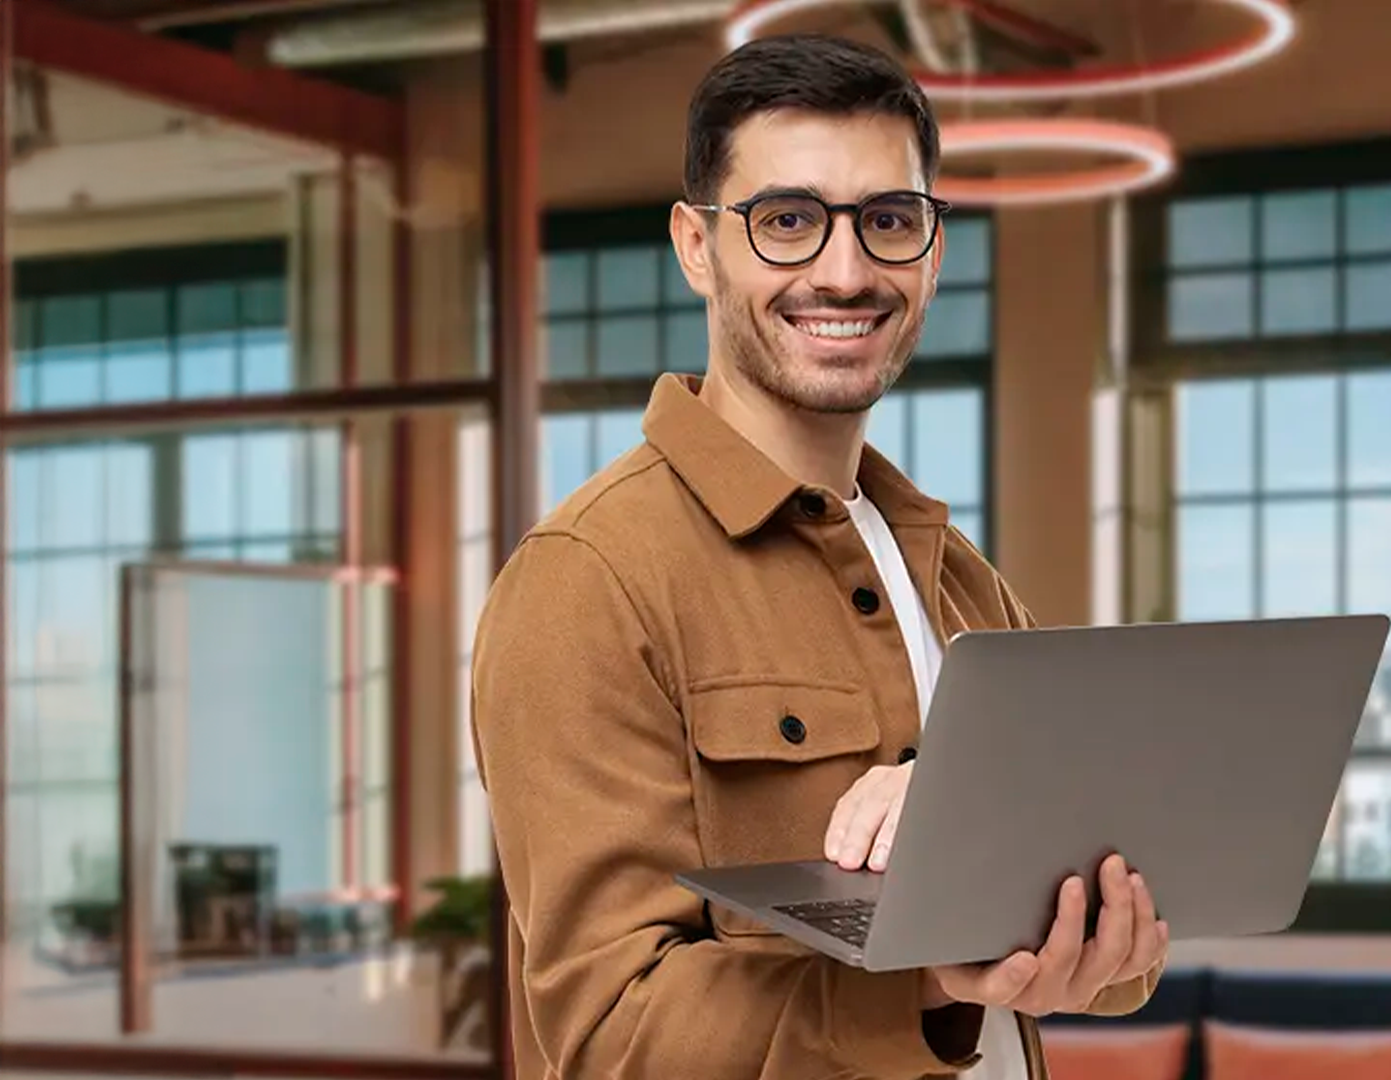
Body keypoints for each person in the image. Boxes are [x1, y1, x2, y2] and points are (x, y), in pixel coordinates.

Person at [470, 32, 1169, 1080]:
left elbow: (1108, 960)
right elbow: (614, 1034)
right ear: (698, 247)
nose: (844, 273)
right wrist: (926, 979)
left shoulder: (958, 570)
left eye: (888, 222)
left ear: (931, 253)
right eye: (787, 222)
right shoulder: (588, 578)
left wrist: (1093, 937)